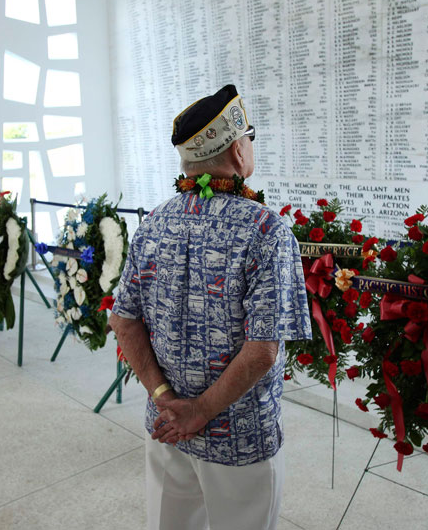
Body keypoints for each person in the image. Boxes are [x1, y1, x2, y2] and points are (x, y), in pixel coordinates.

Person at [109, 84, 311, 530]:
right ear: (238, 152)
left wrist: (166, 400)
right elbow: (262, 351)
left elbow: (122, 321)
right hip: (237, 440)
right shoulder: (266, 230)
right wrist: (198, 412)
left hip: (166, 429)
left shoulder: (152, 224)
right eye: (250, 137)